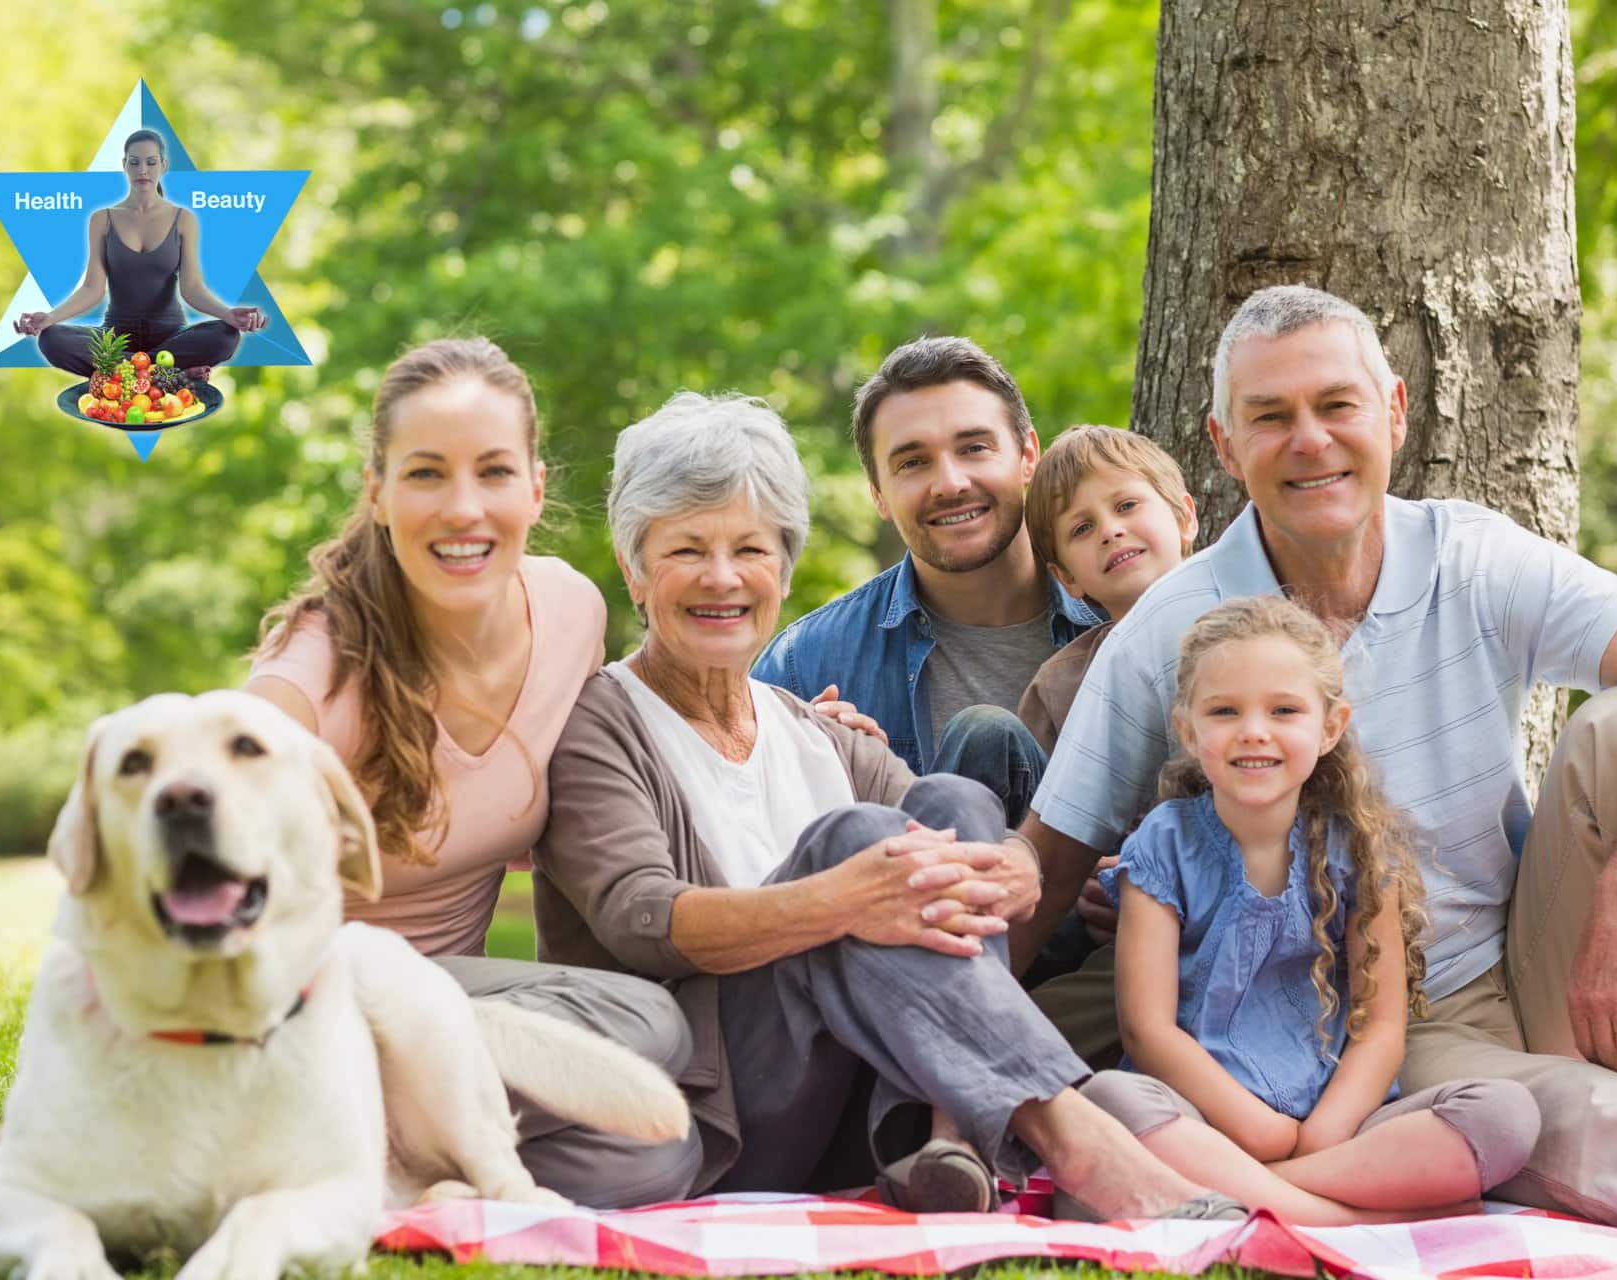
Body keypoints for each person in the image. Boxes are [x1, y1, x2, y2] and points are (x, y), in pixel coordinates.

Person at [1013, 284, 1617, 1261]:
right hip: (1366, 1026)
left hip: (1528, 951)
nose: (1310, 439)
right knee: (1585, 1121)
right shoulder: (1169, 630)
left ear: (1393, 410)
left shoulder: (1471, 556)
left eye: (1336, 404)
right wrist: (958, 1064)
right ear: (1225, 448)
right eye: (1271, 417)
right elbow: (1047, 862)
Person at [533, 389, 1402, 1225]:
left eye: (752, 549)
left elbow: (968, 840)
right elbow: (637, 918)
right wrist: (838, 898)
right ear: (634, 569)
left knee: (952, 798)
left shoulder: (813, 732)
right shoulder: (602, 721)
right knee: (857, 840)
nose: (723, 578)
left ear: (783, 565)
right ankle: (1069, 1132)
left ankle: (955, 1131)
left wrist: (1068, 876)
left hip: (854, 1122)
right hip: (709, 1115)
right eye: (688, 549)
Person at [246, 336, 700, 1209]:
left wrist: (801, 722)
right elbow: (206, 796)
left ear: (535, 486)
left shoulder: (570, 609)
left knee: (651, 1163)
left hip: (446, 1033)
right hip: (311, 1014)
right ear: (377, 492)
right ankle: (327, 1138)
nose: (464, 509)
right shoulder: (315, 672)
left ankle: (377, 1165)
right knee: (647, 1027)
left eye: (493, 472)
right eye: (425, 474)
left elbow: (626, 752)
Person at [1093, 595, 1538, 1215]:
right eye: (1224, 710)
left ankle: (1258, 1203)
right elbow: (1147, 1030)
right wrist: (1260, 1132)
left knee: (1503, 1116)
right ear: (1188, 730)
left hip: (1335, 1124)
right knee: (1112, 1101)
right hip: (1206, 1116)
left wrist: (1319, 1135)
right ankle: (1342, 1218)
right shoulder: (1164, 844)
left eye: (1284, 710)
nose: (1254, 730)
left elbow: (1382, 1028)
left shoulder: (1357, 845)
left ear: (1329, 726)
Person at [751, 336, 1100, 828]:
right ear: (878, 494)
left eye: (974, 448)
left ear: (1028, 456)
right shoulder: (802, 668)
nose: (950, 483)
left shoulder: (1128, 616)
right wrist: (811, 777)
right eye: (913, 462)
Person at [1011, 424, 1198, 1023]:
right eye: (1082, 529)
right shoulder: (1061, 684)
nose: (1110, 529)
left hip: (1247, 907)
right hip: (1117, 941)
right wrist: (1092, 880)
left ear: (1184, 516)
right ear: (1067, 577)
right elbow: (1046, 833)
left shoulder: (1256, 630)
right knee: (1047, 1024)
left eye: (1125, 506)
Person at [13, 128, 264, 376]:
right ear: (124, 165)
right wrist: (49, 317)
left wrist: (228, 314)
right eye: (134, 162)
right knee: (51, 340)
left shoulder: (183, 218)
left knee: (225, 337)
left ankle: (126, 373)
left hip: (171, 336)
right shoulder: (102, 219)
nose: (142, 170)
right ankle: (165, 374)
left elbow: (192, 289)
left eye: (151, 162)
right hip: (116, 337)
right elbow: (92, 288)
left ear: (163, 165)